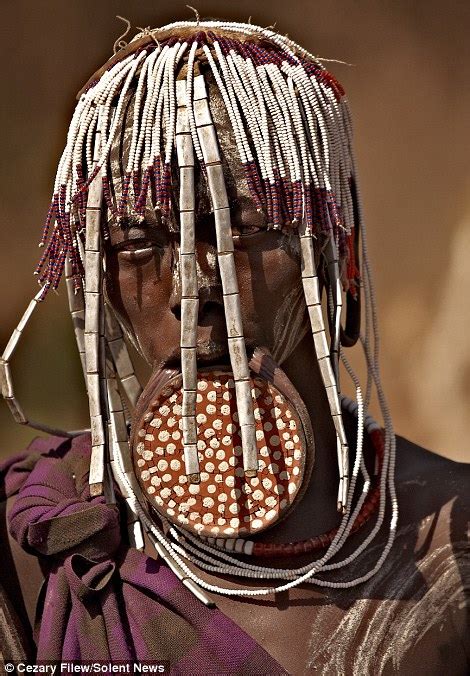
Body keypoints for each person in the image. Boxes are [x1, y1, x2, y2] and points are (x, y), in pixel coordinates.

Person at [1, 18, 468, 675]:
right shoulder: (34, 553)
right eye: (139, 244)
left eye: (243, 228)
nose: (193, 286)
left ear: (343, 262)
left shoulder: (452, 542)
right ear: (98, 284)